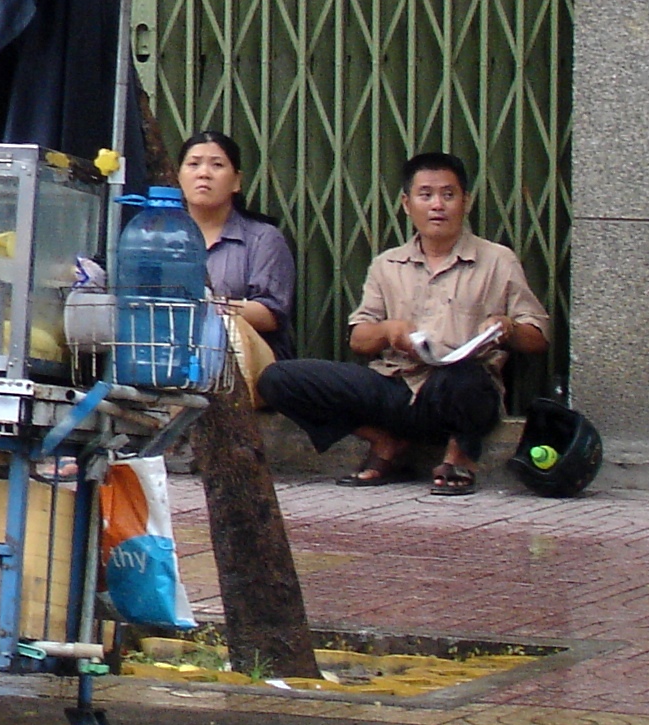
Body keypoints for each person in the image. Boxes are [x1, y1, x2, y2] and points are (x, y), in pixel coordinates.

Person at [257, 152, 551, 496]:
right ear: (407, 204)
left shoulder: (497, 260)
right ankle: (386, 442)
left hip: (456, 392)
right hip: (396, 385)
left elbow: (538, 337)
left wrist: (507, 328)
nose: (437, 205)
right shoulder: (388, 264)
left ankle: (459, 456)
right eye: (426, 195)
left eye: (448, 195)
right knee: (278, 379)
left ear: (466, 202)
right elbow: (359, 338)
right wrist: (389, 332)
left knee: (468, 378)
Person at [175, 129, 294, 336]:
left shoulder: (263, 239)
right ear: (178, 177)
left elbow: (271, 314)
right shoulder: (164, 237)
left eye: (217, 165)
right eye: (193, 164)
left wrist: (209, 308)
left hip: (238, 351)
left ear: (236, 181)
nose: (203, 173)